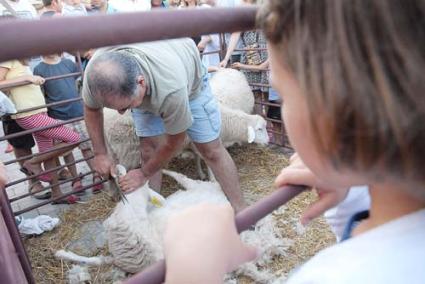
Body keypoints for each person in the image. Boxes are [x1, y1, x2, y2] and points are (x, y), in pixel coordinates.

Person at [162, 0, 425, 283]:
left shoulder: (328, 276)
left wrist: (186, 275)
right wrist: (353, 186)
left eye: (284, 95)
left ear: (331, 117)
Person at [82, 38, 246, 212]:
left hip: (187, 84)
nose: (121, 114)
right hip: (145, 80)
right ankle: (153, 216)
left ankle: (241, 210)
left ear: (141, 83)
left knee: (210, 149)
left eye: (125, 107)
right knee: (148, 151)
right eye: (115, 108)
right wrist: (100, 153)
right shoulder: (97, 75)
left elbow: (174, 141)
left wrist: (143, 173)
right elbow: (91, 110)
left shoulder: (171, 89)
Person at [0, 58, 81, 204]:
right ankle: (32, 163)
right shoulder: (9, 59)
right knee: (74, 138)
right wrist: (26, 78)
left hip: (38, 112)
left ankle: (57, 194)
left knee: (47, 152)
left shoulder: (21, 62)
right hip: (28, 114)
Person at [34, 53, 104, 193]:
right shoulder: (39, 69)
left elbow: (80, 80)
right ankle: (75, 179)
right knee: (67, 150)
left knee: (86, 147)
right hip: (58, 115)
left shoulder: (68, 63)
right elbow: (41, 93)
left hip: (78, 112)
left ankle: (96, 174)